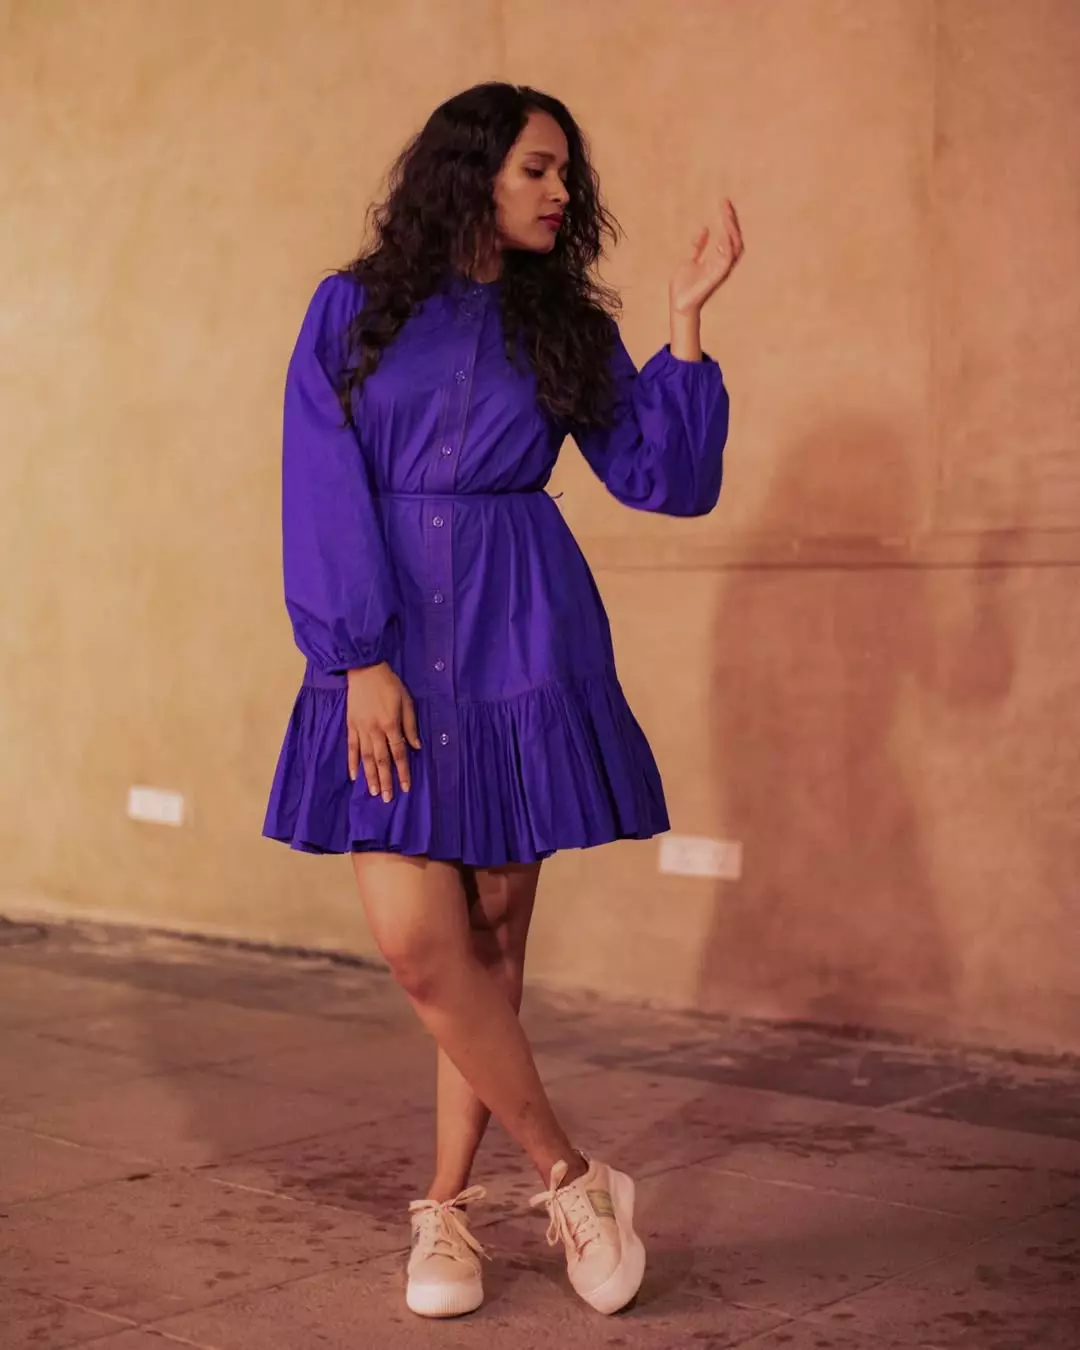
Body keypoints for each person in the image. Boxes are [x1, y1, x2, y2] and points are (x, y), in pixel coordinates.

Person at [264, 81, 743, 1320]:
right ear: (470, 171)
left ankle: (445, 1209)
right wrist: (356, 657)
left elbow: (665, 476)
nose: (561, 191)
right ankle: (572, 1178)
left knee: (491, 937)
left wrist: (685, 324)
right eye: (538, 168)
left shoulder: (562, 326)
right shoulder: (352, 308)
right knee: (418, 944)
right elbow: (317, 475)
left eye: (566, 174)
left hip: (521, 633)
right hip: (389, 641)